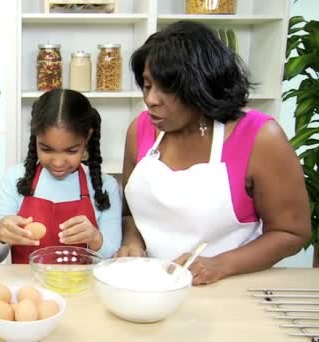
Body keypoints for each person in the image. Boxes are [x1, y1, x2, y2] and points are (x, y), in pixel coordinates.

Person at [116, 21, 311, 285]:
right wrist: (132, 240)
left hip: (230, 287)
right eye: (148, 85)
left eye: (167, 88)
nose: (151, 99)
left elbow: (291, 232)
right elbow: (130, 213)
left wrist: (219, 265)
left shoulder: (260, 137)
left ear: (202, 85)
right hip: (151, 286)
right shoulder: (140, 130)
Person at [0, 89, 122, 263]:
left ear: (88, 137)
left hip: (83, 289)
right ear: (35, 138)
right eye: (46, 149)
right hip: (28, 286)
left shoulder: (106, 186)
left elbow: (114, 258)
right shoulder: (15, 178)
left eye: (71, 151)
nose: (58, 162)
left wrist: (95, 239)